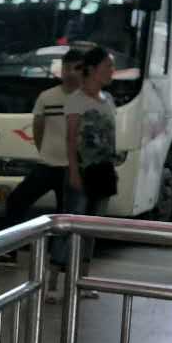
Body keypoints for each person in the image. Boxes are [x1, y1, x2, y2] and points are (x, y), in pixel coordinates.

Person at [0, 47, 85, 264]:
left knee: (67, 216)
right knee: (16, 200)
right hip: (47, 165)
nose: (70, 73)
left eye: (76, 68)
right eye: (66, 68)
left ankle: (61, 262)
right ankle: (9, 250)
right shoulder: (47, 96)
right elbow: (38, 128)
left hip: (74, 169)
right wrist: (44, 150)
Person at [48, 45, 117, 303]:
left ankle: (83, 281)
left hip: (104, 171)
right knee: (70, 227)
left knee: (92, 229)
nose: (112, 71)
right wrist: (74, 172)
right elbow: (71, 139)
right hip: (82, 171)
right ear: (93, 69)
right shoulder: (76, 100)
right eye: (108, 66)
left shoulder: (108, 100)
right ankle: (52, 283)